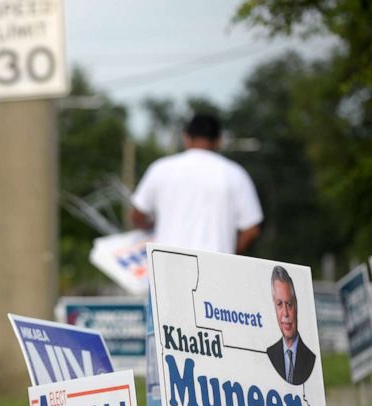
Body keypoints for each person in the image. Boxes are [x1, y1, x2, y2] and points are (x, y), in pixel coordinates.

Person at [131, 112, 263, 255]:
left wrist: (153, 227)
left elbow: (137, 215)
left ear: (186, 137)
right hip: (215, 270)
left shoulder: (160, 169)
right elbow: (252, 230)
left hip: (168, 269)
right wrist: (230, 256)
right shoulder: (235, 174)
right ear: (219, 140)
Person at [266, 265, 315, 385]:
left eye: (289, 304)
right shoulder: (269, 354)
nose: (285, 314)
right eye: (279, 304)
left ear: (296, 305)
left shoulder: (311, 359)